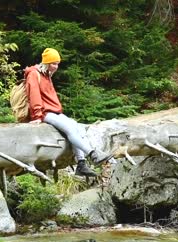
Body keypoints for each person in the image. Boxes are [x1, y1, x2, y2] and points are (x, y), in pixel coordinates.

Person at [24, 48, 112, 177]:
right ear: (46, 63)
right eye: (53, 63)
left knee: (75, 126)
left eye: (57, 63)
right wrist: (37, 116)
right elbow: (34, 96)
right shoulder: (34, 74)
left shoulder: (46, 74)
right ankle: (93, 155)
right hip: (44, 113)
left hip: (54, 111)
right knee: (70, 129)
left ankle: (81, 164)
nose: (56, 66)